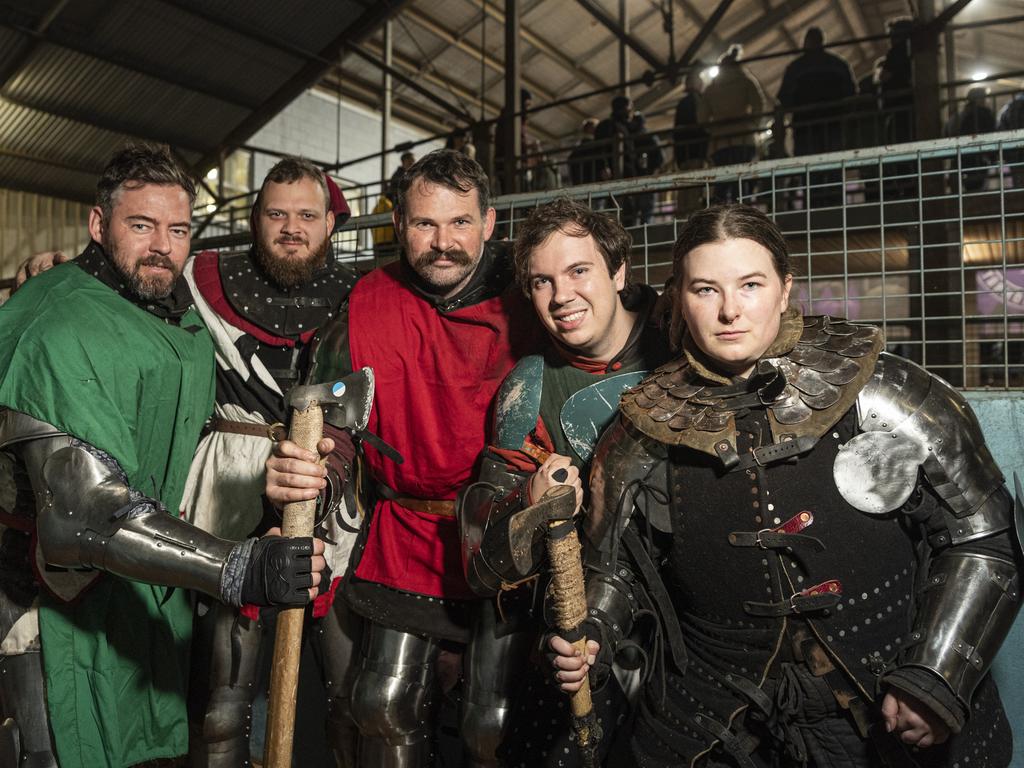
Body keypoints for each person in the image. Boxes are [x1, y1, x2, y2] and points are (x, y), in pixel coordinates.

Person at [554, 204, 1020, 767]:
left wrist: (936, 675)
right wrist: (595, 629)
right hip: (709, 714)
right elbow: (615, 568)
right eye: (705, 289)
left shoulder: (883, 391)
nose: (729, 310)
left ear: (785, 289)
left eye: (750, 284)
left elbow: (982, 539)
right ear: (679, 297)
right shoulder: (641, 428)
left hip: (884, 703)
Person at [0, 143, 327, 768]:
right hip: (46, 603)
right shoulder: (61, 324)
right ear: (99, 226)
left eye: (177, 229)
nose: (162, 246)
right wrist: (239, 568)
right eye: (140, 225)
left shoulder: (170, 314)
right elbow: (84, 518)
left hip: (138, 597)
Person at [266, 149, 542, 767]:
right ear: (398, 224)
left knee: (493, 724)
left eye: (460, 223)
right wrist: (317, 471)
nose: (443, 243)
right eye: (423, 224)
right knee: (381, 706)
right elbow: (334, 429)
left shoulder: (534, 298)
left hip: (509, 535)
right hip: (408, 532)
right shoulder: (369, 300)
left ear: (490, 222)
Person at [458, 197, 671, 766]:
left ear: (619, 271)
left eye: (579, 271)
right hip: (588, 626)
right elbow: (481, 562)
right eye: (542, 282)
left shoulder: (683, 342)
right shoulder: (529, 389)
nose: (562, 296)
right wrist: (529, 503)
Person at [180, 156, 361, 767]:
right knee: (222, 706)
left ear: (329, 222)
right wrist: (53, 265)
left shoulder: (363, 296)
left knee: (350, 696)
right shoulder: (198, 278)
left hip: (332, 491)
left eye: (306, 215)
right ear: (255, 219)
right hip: (232, 491)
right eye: (277, 214)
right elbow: (129, 282)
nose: (291, 227)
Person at [701, 46, 767, 202]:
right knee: (742, 179)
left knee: (723, 181)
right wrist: (752, 124)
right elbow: (759, 105)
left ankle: (718, 216)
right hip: (744, 138)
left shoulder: (710, 89)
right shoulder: (746, 81)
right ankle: (743, 216)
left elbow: (702, 118)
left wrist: (714, 129)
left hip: (720, 141)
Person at [674, 66, 710, 214]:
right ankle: (693, 218)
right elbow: (703, 125)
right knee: (695, 187)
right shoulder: (699, 100)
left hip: (684, 153)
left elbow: (677, 131)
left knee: (685, 188)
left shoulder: (682, 103)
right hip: (696, 151)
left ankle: (684, 218)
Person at [997, 90, 1024, 189]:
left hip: (1014, 154)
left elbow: (1000, 129)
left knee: (1018, 182)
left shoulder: (1008, 108)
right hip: (1018, 153)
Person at [568, 117, 602, 187]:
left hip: (580, 183)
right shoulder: (595, 146)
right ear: (590, 129)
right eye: (596, 127)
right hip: (594, 183)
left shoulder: (578, 149)